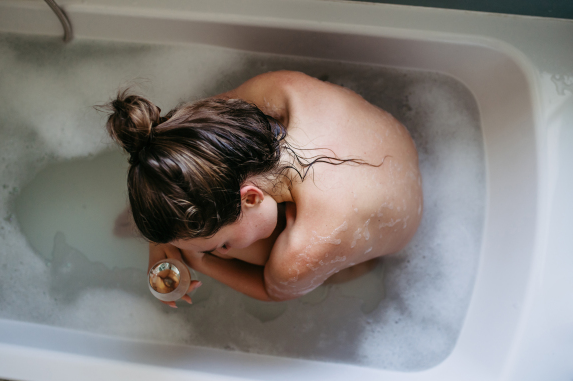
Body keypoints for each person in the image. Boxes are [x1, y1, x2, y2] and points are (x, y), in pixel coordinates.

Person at [103, 71, 423, 307]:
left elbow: (272, 290)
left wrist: (201, 260)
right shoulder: (280, 92)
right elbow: (192, 133)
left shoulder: (304, 250)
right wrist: (164, 231)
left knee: (269, 256)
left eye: (221, 244)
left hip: (387, 227)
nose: (222, 250)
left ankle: (367, 268)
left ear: (252, 197)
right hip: (389, 143)